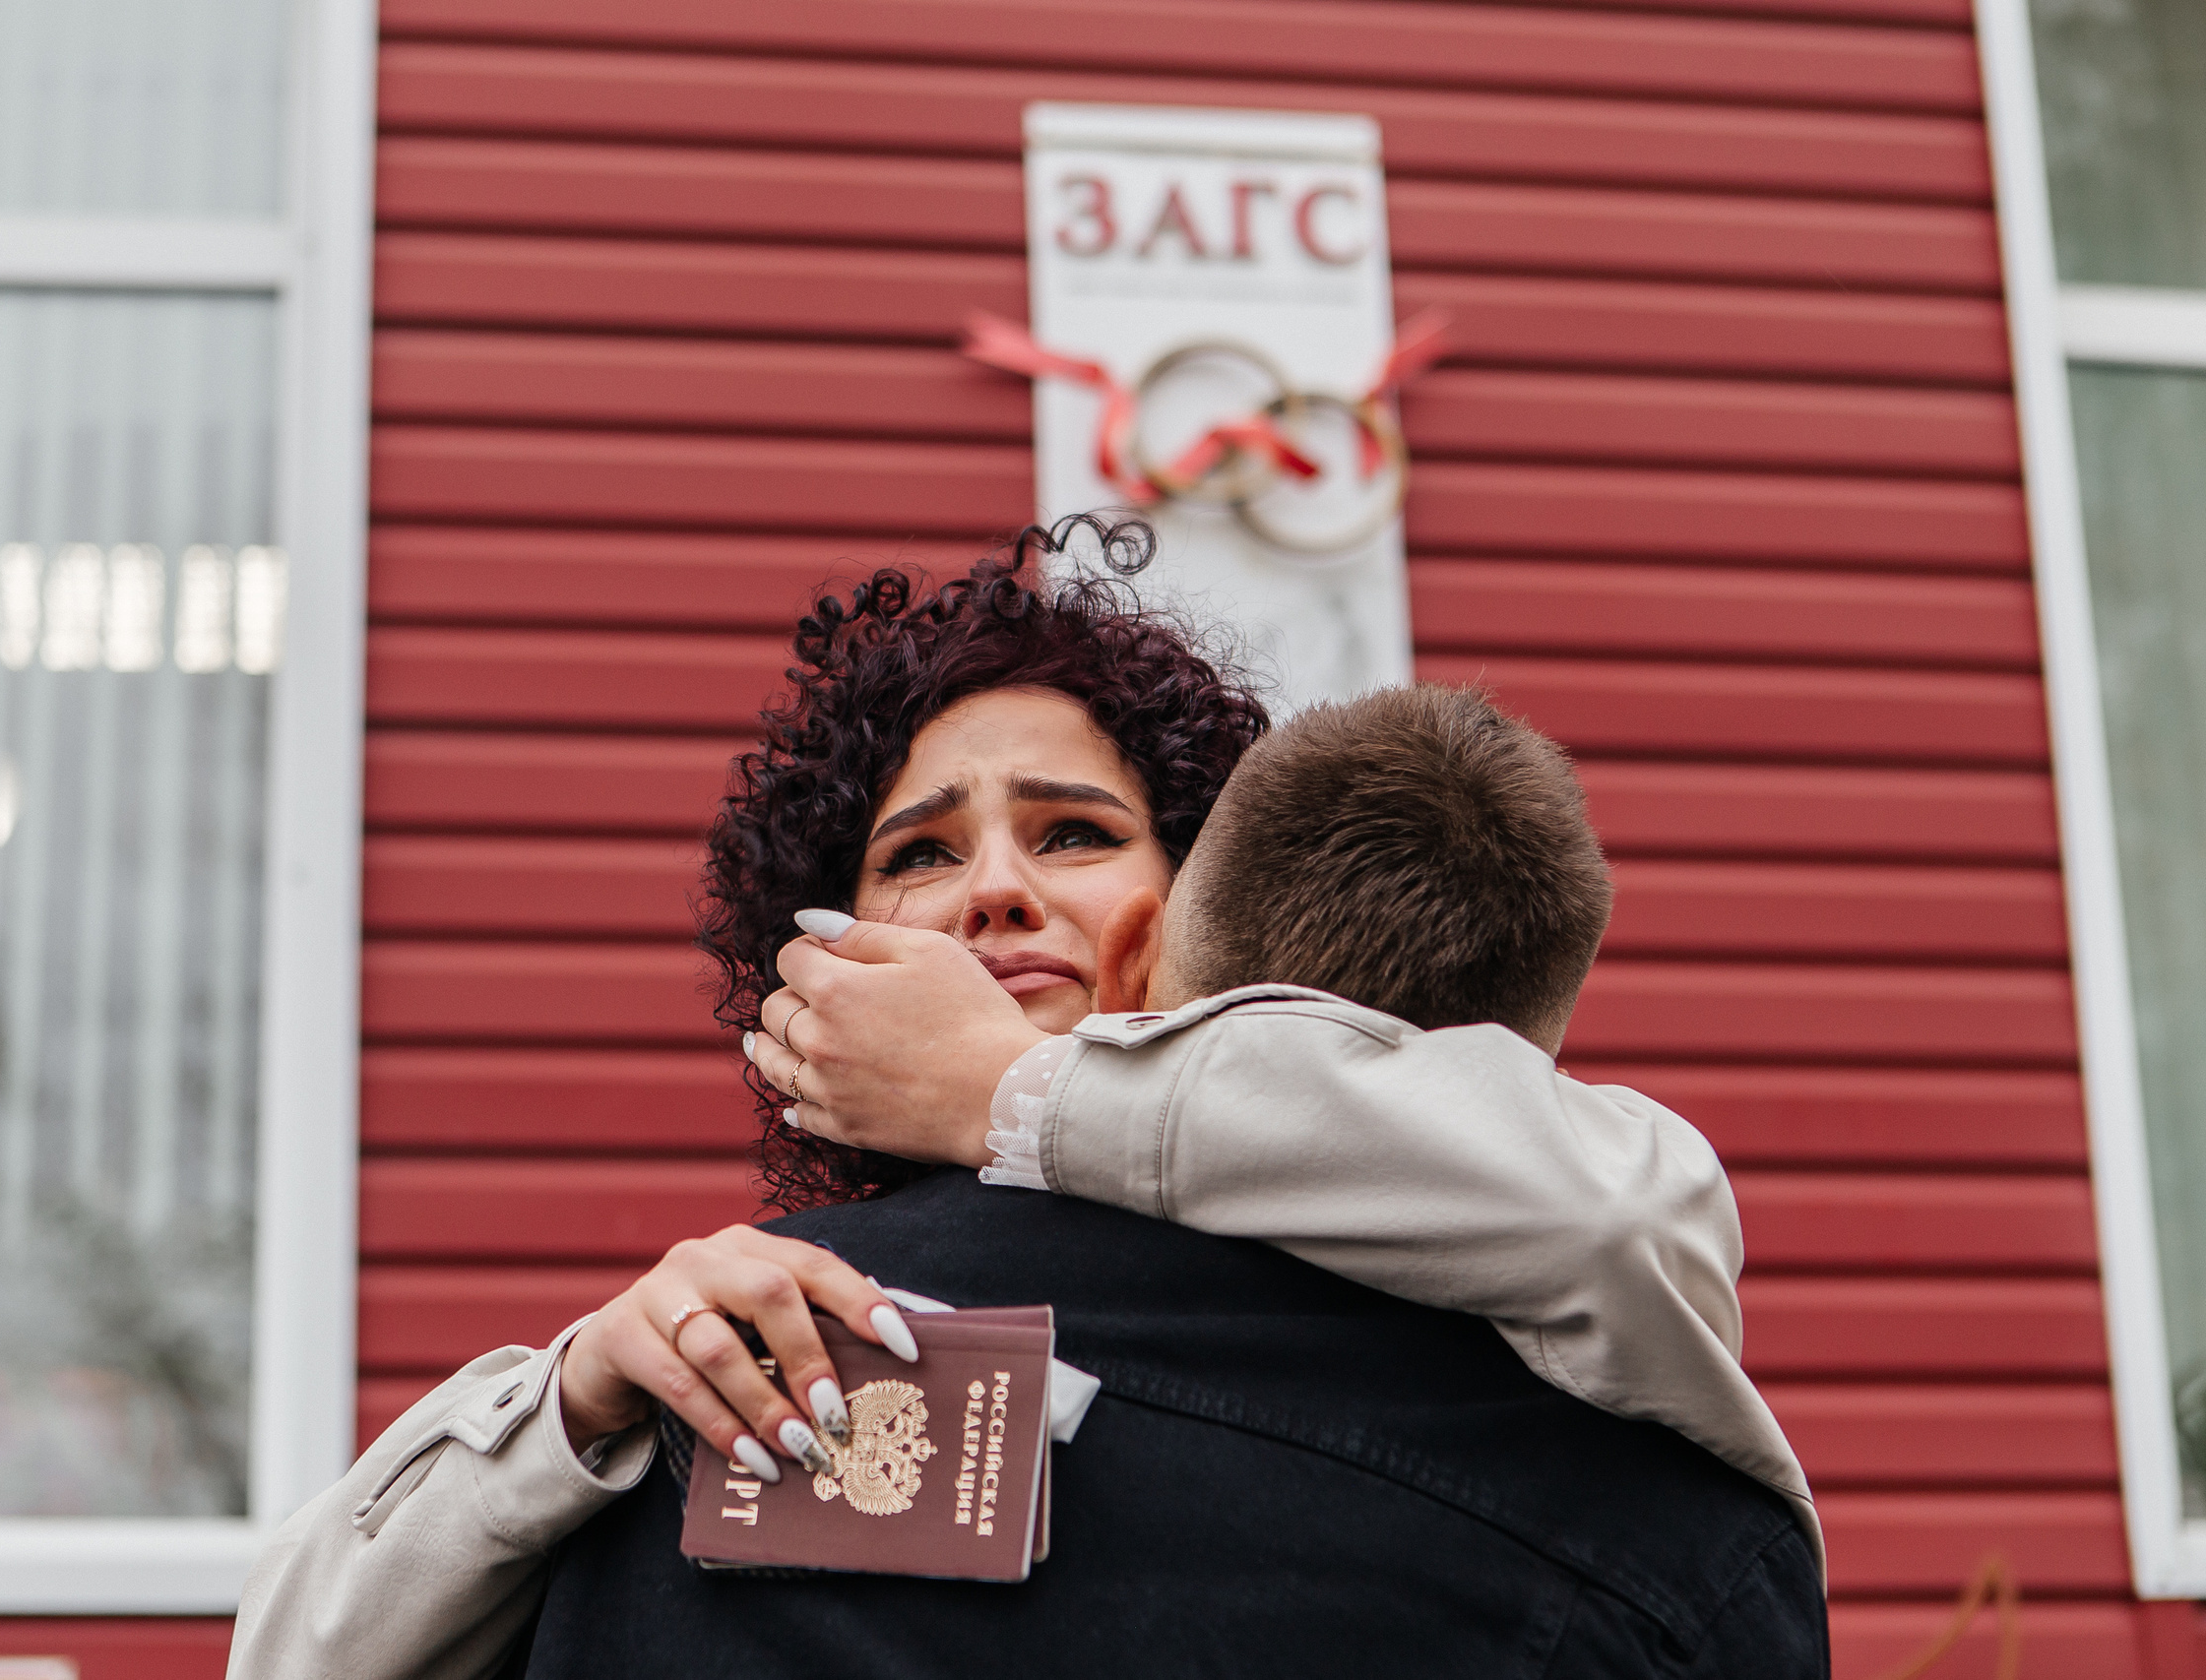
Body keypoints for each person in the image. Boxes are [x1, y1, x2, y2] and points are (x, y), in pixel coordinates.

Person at [224, 530, 1804, 1679]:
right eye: (918, 853)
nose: (992, 889)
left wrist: (1010, 1090)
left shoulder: (1466, 1217)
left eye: (1072, 833)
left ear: (1183, 918)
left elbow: (1619, 1213)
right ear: (815, 965)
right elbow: (289, 1654)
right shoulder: (738, 1329)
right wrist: (578, 1400)